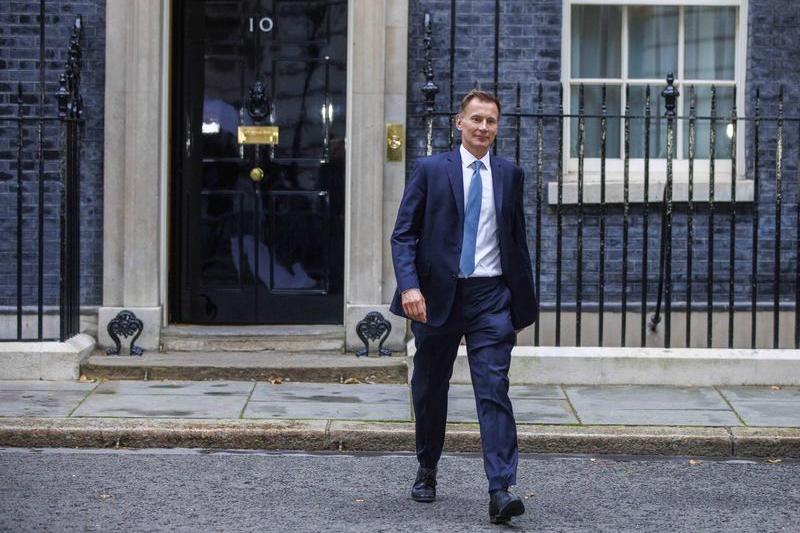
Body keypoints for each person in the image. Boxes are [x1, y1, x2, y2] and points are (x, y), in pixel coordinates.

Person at [390, 89, 538, 524]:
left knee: (493, 389)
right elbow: (404, 235)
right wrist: (409, 288)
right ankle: (427, 466)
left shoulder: (510, 174)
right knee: (430, 388)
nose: (483, 128)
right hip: (436, 298)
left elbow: (515, 240)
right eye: (476, 119)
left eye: (491, 121)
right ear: (459, 122)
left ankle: (500, 489)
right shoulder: (431, 169)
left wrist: (518, 302)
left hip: (490, 298)